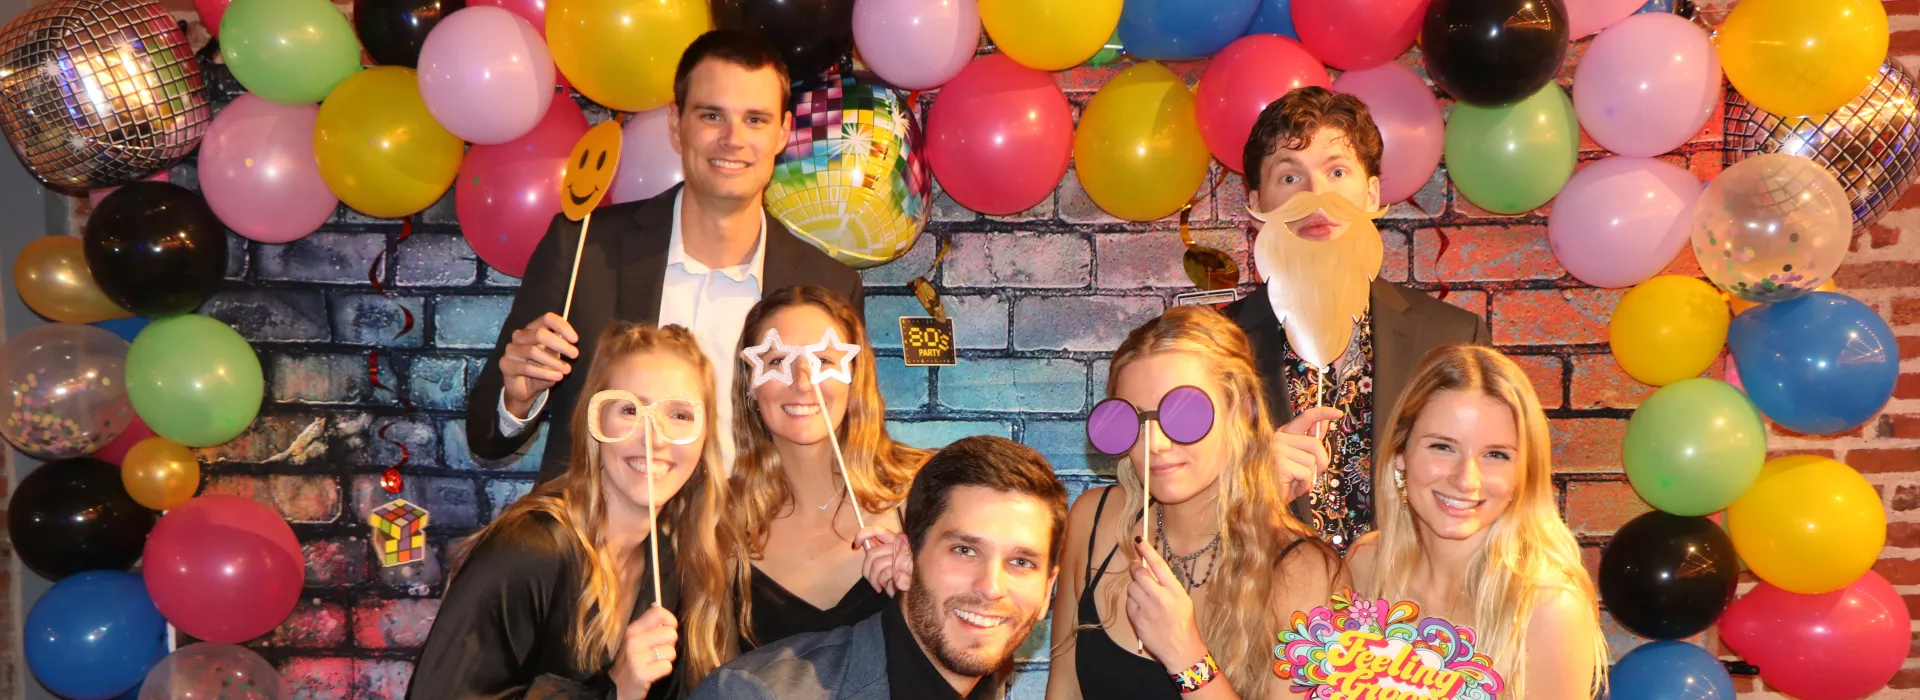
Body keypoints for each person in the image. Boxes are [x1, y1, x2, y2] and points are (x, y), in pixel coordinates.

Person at [466, 30, 865, 485]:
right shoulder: (582, 248)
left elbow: (845, 448)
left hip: (759, 530)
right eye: (712, 115)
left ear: (782, 133)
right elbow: (486, 437)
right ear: (676, 125)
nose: (733, 139)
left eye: (755, 119)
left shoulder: (830, 286)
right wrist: (518, 400)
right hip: (599, 529)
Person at [1225, 86, 1491, 551]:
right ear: (1258, 204)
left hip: (1408, 594)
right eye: (1289, 177)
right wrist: (1248, 479)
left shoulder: (1452, 338)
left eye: (1337, 172)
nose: (1316, 196)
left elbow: (1489, 486)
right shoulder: (1216, 345)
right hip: (1265, 590)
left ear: (1370, 194)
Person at [411, 323, 738, 699]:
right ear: (594, 421)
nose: (654, 438)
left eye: (680, 415)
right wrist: (615, 690)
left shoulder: (671, 565)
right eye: (630, 409)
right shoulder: (529, 551)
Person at [1045, 306, 1345, 700]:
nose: (1155, 444)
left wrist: (1186, 657)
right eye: (1134, 420)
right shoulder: (1094, 519)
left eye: (1183, 413)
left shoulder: (1303, 570)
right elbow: (1063, 690)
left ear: (1243, 410)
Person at [688, 436, 1068, 700]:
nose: (991, 586)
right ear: (904, 561)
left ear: (1048, 589)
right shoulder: (754, 694)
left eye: (1021, 562)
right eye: (964, 550)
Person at [1347, 345, 1607, 698]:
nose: (1466, 479)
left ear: (1524, 473)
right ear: (1400, 454)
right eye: (1443, 447)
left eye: (1495, 454)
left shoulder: (1548, 609)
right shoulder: (1367, 564)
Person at [726, 285, 927, 650]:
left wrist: (922, 598)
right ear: (750, 384)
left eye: (823, 360)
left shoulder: (926, 496)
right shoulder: (718, 522)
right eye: (777, 361)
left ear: (855, 378)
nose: (804, 382)